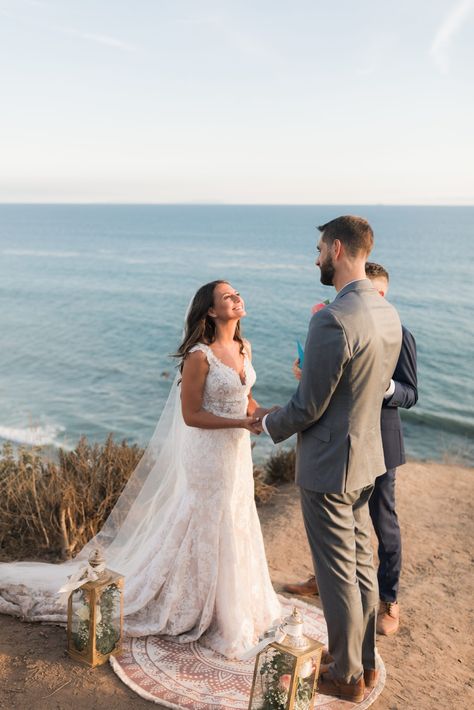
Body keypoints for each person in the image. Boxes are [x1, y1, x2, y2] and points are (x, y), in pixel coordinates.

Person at [0, 280, 280, 659]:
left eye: (237, 293)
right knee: (207, 518)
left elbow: (243, 398)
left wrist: (263, 416)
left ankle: (225, 604)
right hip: (207, 454)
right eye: (228, 296)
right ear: (211, 311)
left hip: (236, 451)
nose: (237, 298)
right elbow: (192, 415)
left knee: (235, 516)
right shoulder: (199, 356)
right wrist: (240, 424)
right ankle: (188, 603)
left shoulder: (243, 348)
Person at [254, 216, 402, 703]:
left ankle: (343, 674)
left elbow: (309, 405)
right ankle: (358, 666)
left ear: (337, 249)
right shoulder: (387, 313)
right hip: (366, 461)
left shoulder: (331, 318)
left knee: (338, 574)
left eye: (319, 248)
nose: (315, 257)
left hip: (329, 467)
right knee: (360, 567)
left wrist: (267, 423)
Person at [283, 262, 418, 637]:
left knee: (382, 523)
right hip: (342, 443)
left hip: (380, 443)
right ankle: (322, 577)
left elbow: (410, 393)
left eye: (378, 295)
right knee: (339, 525)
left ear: (385, 296)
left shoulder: (399, 333)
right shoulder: (342, 324)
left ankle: (389, 599)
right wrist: (307, 371)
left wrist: (383, 385)